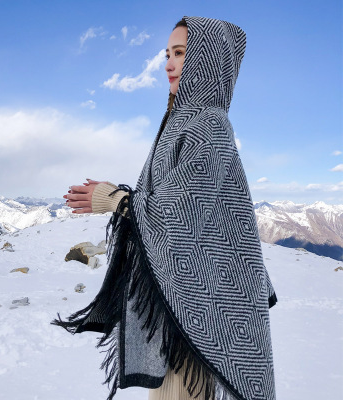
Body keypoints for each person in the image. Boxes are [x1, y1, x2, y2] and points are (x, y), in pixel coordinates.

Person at [53, 16, 278, 400]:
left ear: (206, 59)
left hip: (197, 308)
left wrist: (113, 198)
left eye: (180, 53)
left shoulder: (209, 125)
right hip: (180, 300)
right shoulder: (180, 120)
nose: (168, 64)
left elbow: (179, 217)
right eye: (167, 55)